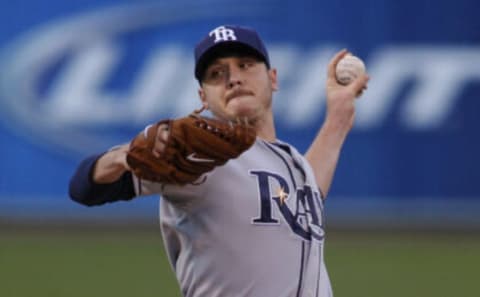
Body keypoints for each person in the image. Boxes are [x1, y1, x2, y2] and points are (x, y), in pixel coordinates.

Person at [69, 25, 369, 297]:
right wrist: (122, 157)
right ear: (203, 97)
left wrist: (338, 119)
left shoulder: (292, 162)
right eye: (216, 74)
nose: (233, 78)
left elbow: (307, 196)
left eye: (245, 65)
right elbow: (86, 188)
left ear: (273, 78)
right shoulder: (195, 153)